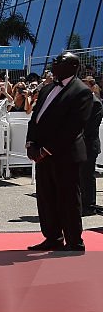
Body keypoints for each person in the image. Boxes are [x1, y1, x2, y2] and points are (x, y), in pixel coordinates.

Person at [25, 52, 95, 252]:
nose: (54, 64)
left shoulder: (81, 92)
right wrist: (31, 143)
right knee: (46, 199)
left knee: (68, 199)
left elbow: (73, 127)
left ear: (73, 67)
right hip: (41, 154)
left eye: (59, 61)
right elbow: (35, 119)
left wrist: (46, 150)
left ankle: (74, 242)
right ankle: (53, 237)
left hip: (65, 155)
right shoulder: (47, 89)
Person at [80, 90, 103, 215]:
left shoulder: (96, 104)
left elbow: (91, 127)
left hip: (89, 145)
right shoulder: (86, 103)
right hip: (82, 144)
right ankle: (83, 203)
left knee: (87, 176)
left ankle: (89, 205)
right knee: (81, 176)